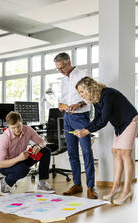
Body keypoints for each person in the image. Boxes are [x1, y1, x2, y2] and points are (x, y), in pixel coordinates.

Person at [74, 77, 138, 205]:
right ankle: (116, 188)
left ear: (89, 87)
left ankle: (127, 190)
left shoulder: (107, 94)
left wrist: (86, 132)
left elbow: (103, 120)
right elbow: (96, 119)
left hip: (130, 121)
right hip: (120, 125)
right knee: (116, 152)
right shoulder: (96, 100)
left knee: (125, 154)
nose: (81, 95)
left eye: (82, 91)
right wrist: (85, 129)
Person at [54, 52, 97, 199]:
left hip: (81, 117)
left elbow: (93, 95)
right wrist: (61, 105)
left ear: (69, 62)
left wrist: (79, 104)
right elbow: (62, 99)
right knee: (72, 153)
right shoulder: (63, 81)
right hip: (67, 118)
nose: (61, 71)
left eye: (62, 67)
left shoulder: (84, 74)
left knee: (86, 152)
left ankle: (91, 187)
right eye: (58, 69)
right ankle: (77, 184)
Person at [0, 111, 54, 195]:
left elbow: (43, 142)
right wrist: (19, 158)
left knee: (45, 151)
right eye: (13, 128)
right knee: (23, 170)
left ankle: (42, 184)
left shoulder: (27, 129)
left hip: (21, 159)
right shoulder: (4, 139)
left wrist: (39, 146)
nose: (17, 130)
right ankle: (5, 182)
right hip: (6, 166)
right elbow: (0, 164)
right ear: (8, 126)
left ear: (21, 122)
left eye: (19, 126)